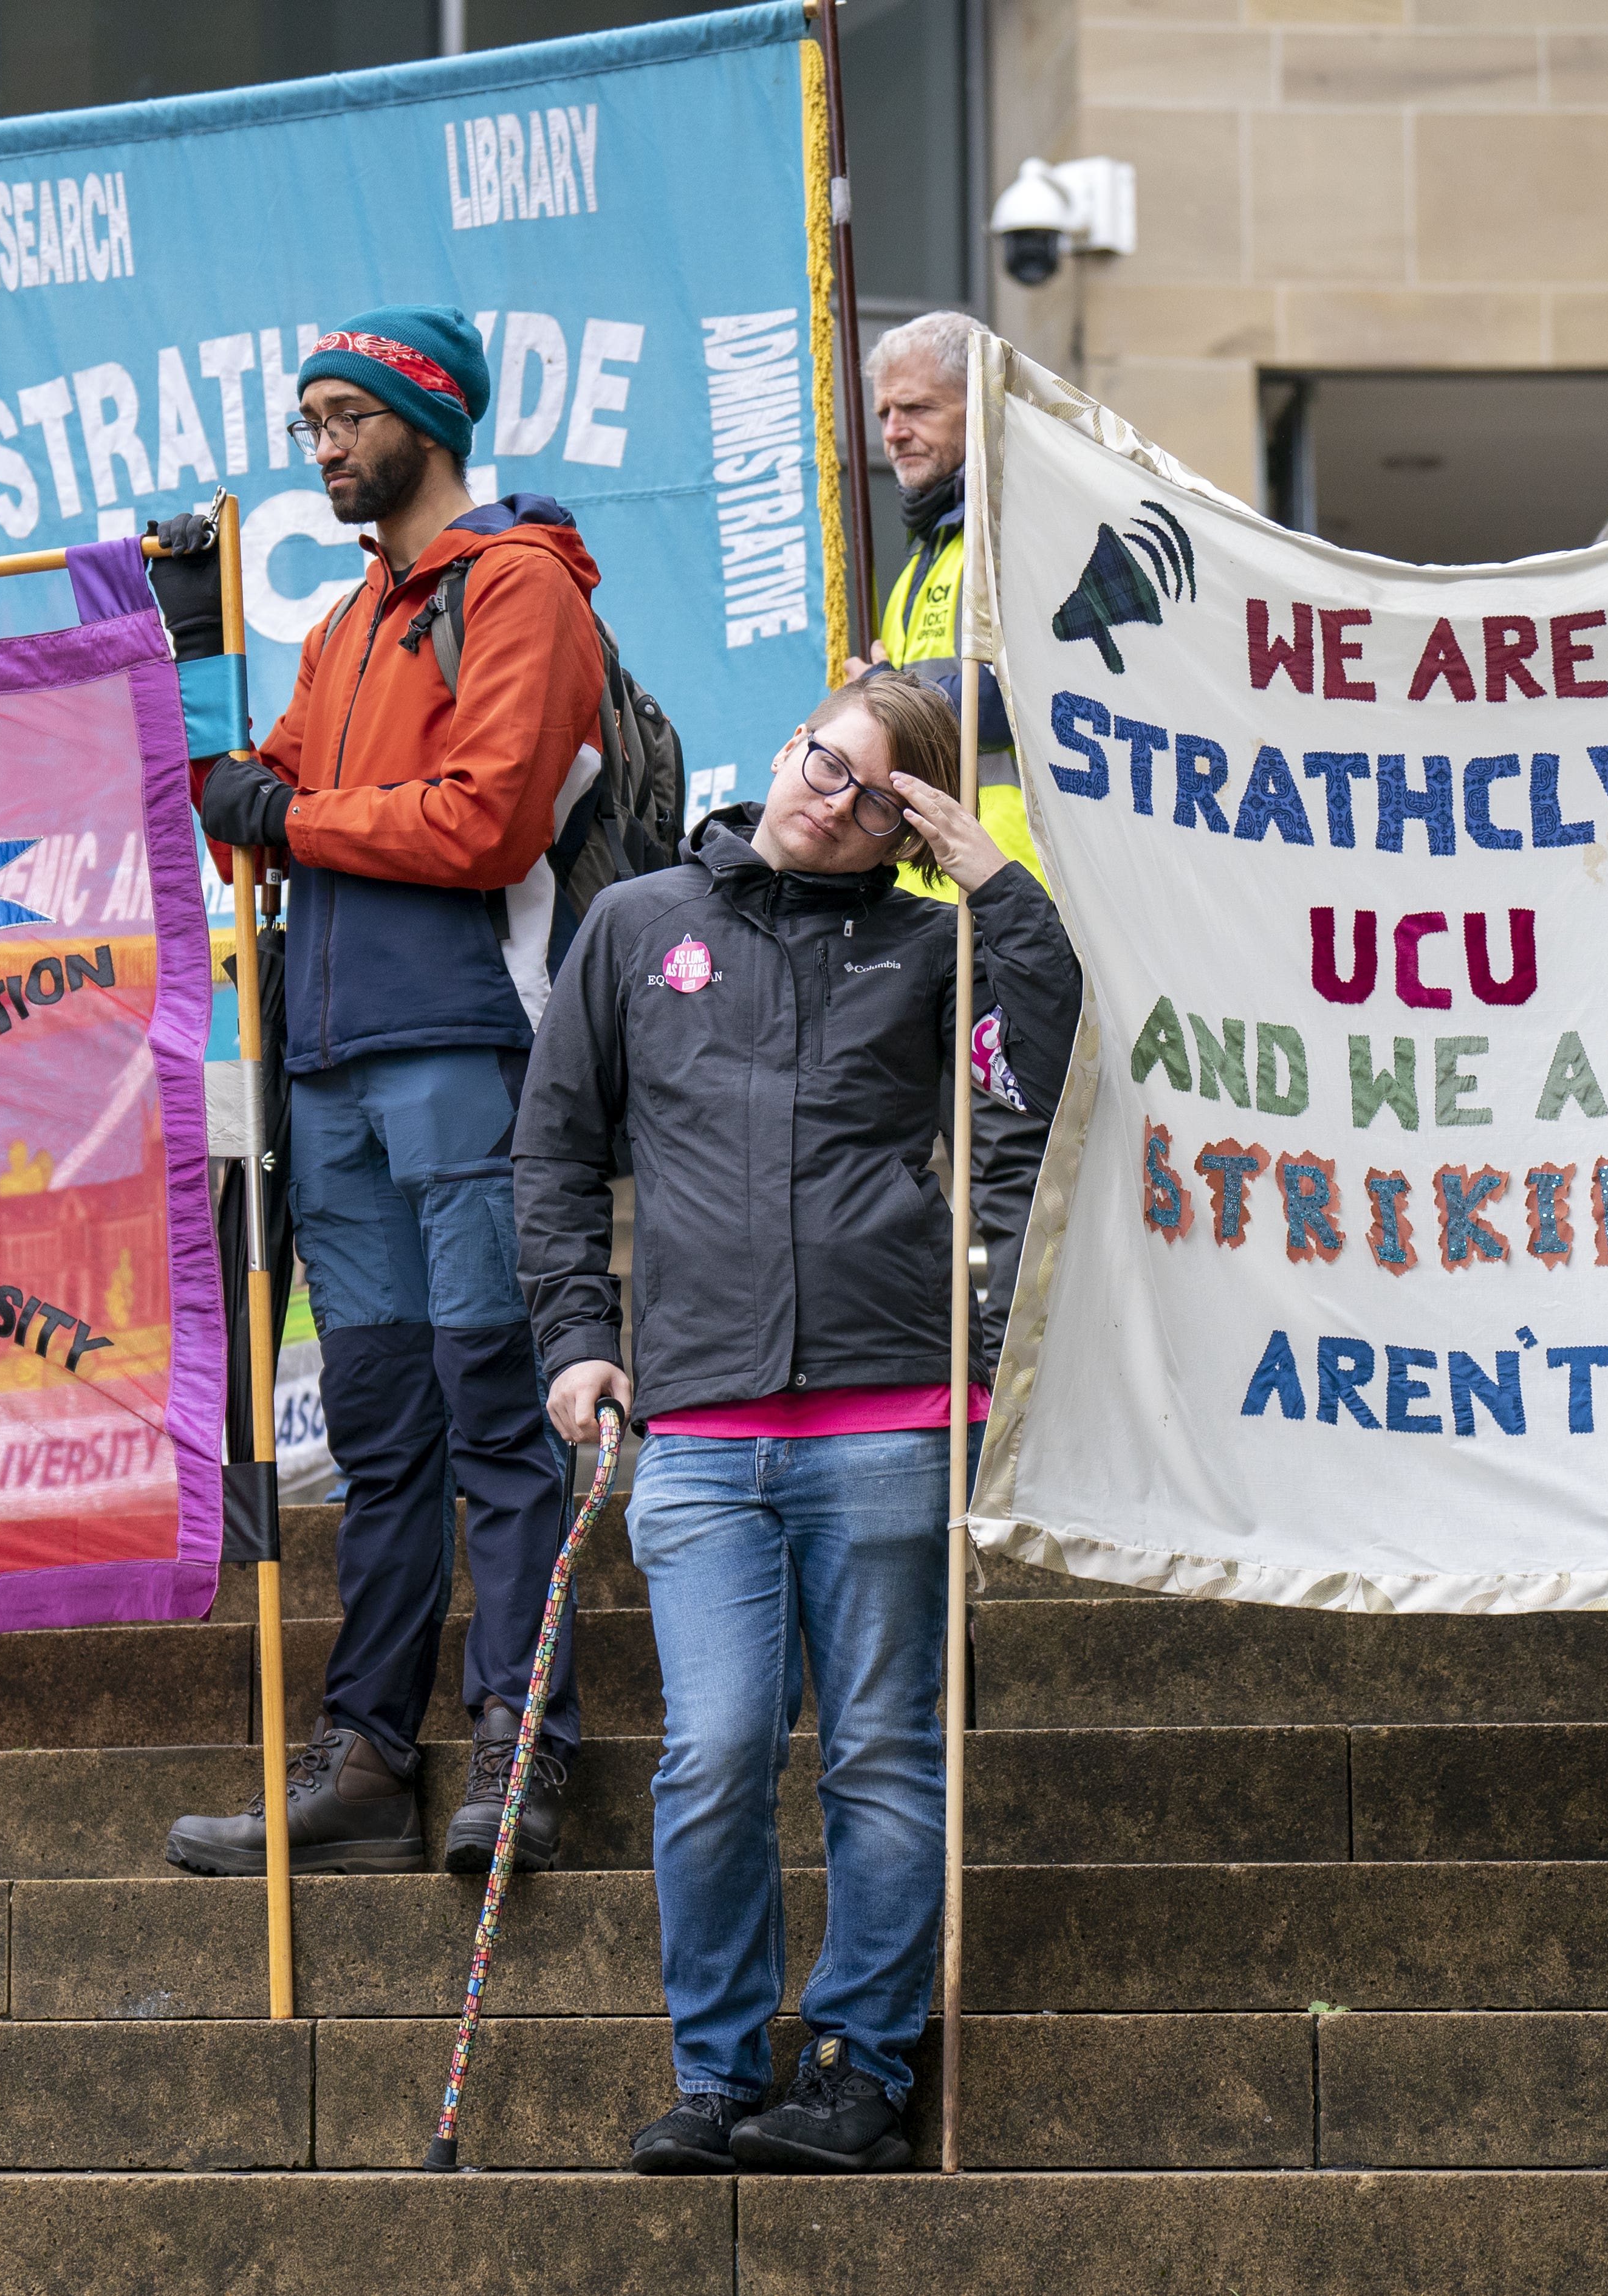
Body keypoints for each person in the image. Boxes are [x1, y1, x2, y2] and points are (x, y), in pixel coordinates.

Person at [518, 671, 1080, 2175]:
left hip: (891, 1412)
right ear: (784, 746)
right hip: (697, 1423)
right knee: (710, 1746)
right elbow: (555, 1147)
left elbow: (1040, 1061)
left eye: (870, 791)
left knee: (885, 1754)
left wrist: (993, 882)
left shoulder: (929, 942)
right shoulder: (637, 927)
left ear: (907, 824)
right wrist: (577, 1340)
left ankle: (857, 2064)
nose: (824, 793)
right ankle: (714, 2069)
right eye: (820, 758)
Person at [162, 306, 606, 1882]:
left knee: (499, 1407)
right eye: (311, 423)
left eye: (346, 415)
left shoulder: (520, 586)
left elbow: (483, 820)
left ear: (429, 417)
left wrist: (285, 811)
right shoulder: (346, 617)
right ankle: (364, 1752)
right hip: (330, 1068)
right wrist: (206, 739)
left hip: (463, 1044)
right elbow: (251, 799)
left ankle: (522, 1738)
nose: (327, 447)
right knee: (376, 1422)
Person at [857, 307, 1046, 1378]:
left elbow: (1032, 692)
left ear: (980, 407)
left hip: (1015, 904)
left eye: (917, 406)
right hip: (934, 908)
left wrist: (881, 701)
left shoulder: (1023, 526)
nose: (891, 429)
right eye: (882, 410)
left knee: (1008, 1162)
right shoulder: (927, 552)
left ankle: (1018, 1406)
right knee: (954, 1166)